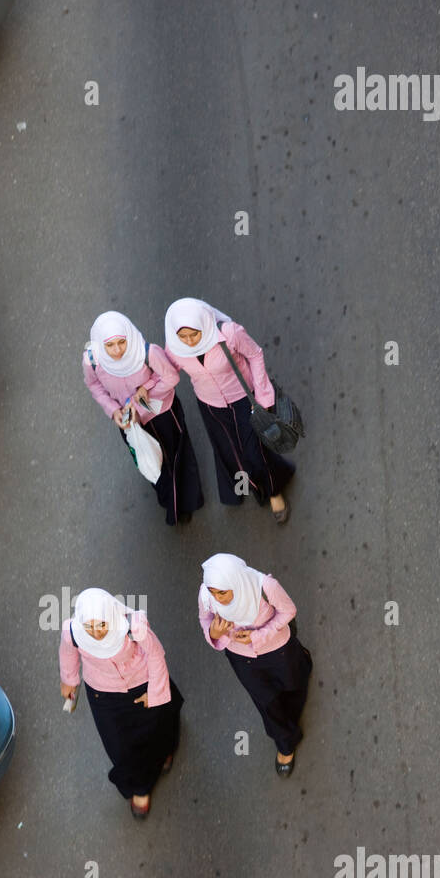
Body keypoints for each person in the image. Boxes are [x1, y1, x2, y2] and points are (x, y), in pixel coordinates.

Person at [164, 297, 294, 523]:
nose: (189, 341)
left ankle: (274, 491)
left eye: (193, 334)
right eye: (182, 336)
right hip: (211, 406)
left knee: (257, 452)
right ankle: (248, 486)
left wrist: (263, 395)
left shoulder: (229, 333)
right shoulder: (174, 349)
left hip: (244, 400)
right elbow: (168, 374)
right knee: (231, 453)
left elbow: (255, 354)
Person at [59, 587, 183, 817]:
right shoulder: (73, 632)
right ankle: (140, 786)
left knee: (159, 727)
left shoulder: (132, 626)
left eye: (102, 625)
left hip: (142, 683)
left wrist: (154, 692)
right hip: (103, 694)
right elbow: (68, 653)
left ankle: (165, 750)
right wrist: (69, 680)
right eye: (90, 627)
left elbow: (156, 655)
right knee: (120, 747)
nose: (96, 633)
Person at [83, 311, 203, 525]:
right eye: (110, 346)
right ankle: (169, 500)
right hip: (131, 423)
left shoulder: (147, 353)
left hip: (162, 414)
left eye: (122, 342)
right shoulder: (93, 360)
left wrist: (145, 390)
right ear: (101, 344)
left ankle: (185, 501)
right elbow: (94, 385)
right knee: (151, 462)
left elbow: (170, 377)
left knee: (177, 457)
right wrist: (113, 410)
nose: (118, 351)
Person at [198, 553, 312, 775]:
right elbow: (205, 618)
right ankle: (285, 742)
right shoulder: (206, 594)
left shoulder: (264, 586)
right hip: (242, 658)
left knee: (294, 684)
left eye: (222, 592)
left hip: (277, 649)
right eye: (214, 592)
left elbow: (288, 611)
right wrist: (214, 631)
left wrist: (258, 636)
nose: (218, 598)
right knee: (267, 702)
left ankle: (302, 664)